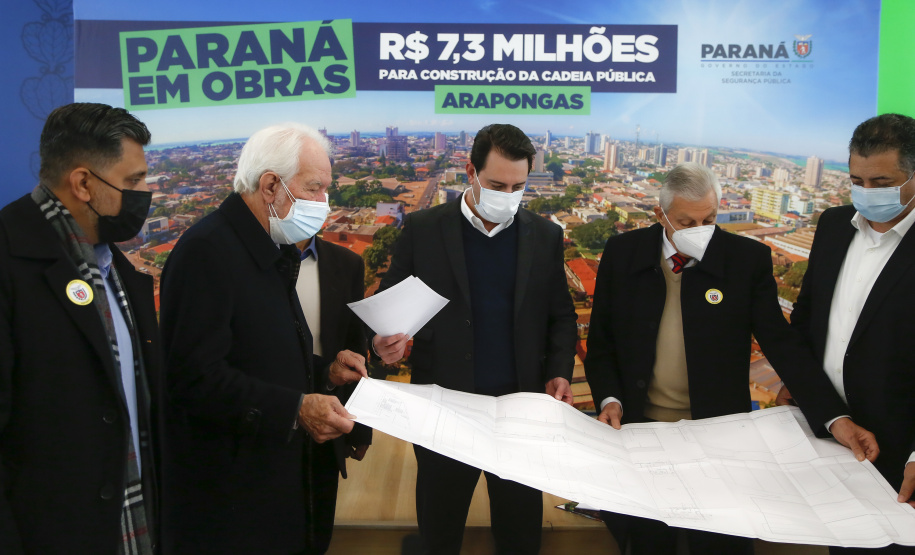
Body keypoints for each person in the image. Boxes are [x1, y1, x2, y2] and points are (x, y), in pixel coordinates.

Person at [584, 162, 879, 555]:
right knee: (648, 542)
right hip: (642, 431)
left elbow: (781, 343)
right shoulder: (624, 253)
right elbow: (601, 341)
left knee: (720, 543)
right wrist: (609, 399)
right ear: (661, 215)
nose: (699, 229)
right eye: (686, 221)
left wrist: (834, 417)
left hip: (720, 439)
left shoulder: (745, 260)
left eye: (708, 218)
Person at [159, 123, 367, 554]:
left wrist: (323, 371)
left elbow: (264, 354)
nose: (323, 204)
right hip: (233, 496)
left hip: (277, 478)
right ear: (271, 185)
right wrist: (296, 407)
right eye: (314, 189)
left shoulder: (268, 246)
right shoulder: (208, 250)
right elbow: (193, 378)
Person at [372, 123, 578, 554]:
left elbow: (560, 316)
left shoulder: (545, 236)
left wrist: (559, 371)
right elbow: (389, 308)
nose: (508, 194)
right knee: (440, 533)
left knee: (521, 535)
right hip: (445, 410)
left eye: (518, 186)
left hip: (520, 412)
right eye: (497, 184)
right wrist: (383, 342)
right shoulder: (425, 228)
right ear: (470, 171)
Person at [0, 103, 162, 554]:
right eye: (134, 181)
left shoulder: (116, 267)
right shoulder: (10, 262)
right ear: (83, 183)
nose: (146, 193)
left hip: (131, 528)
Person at [785, 113, 915, 554]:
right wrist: (823, 410)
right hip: (832, 439)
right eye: (857, 180)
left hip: (902, 461)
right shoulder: (833, 225)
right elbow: (805, 324)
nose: (867, 193)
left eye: (882, 182)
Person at [294, 233, 373, 553]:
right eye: (311, 188)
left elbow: (355, 349)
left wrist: (361, 428)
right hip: (265, 425)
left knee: (318, 530)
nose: (319, 199)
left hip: (329, 422)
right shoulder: (244, 264)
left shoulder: (347, 263)